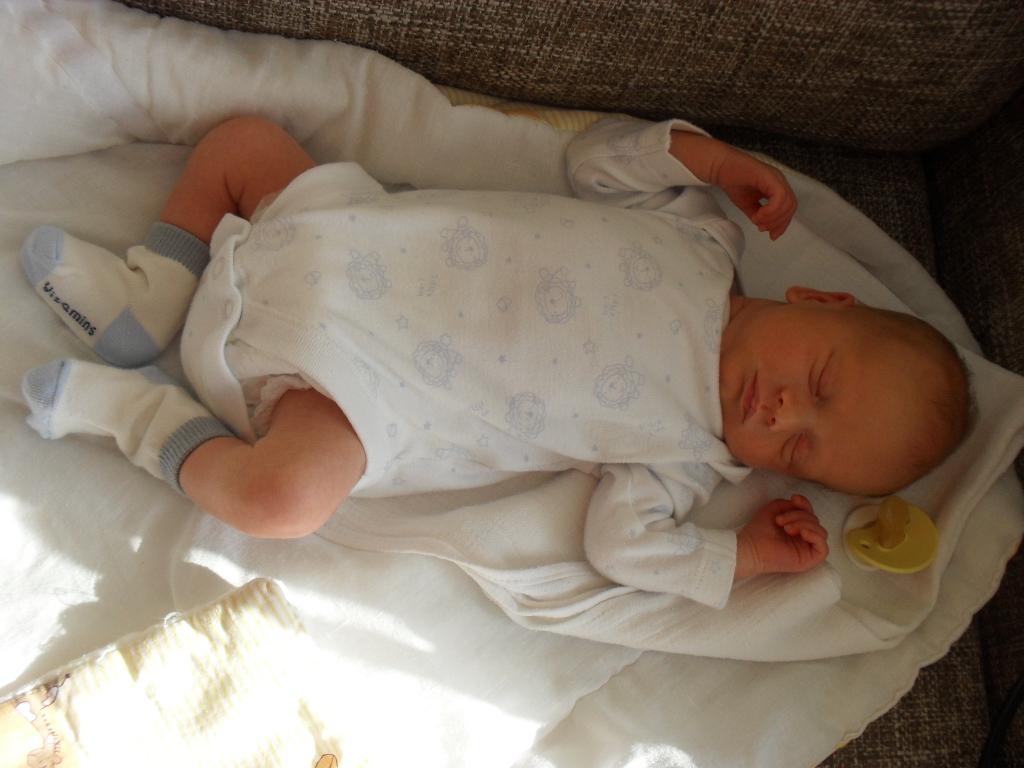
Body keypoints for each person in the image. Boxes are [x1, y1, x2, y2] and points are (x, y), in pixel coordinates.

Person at [18, 115, 970, 609]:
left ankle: (137, 414)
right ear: (823, 302)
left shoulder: (683, 457)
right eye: (820, 383)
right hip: (344, 234)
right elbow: (597, 164)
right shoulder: (703, 239)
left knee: (285, 502)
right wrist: (707, 160)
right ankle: (153, 293)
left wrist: (741, 555)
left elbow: (623, 547)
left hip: (355, 388)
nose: (781, 412)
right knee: (243, 142)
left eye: (799, 449)